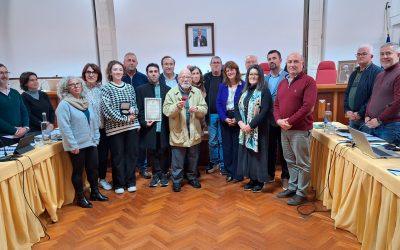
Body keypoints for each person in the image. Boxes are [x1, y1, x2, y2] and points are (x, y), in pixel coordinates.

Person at [56, 77, 108, 208]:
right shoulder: (64, 104)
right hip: (76, 145)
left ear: (81, 85)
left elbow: (94, 121)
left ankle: (95, 192)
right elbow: (64, 127)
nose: (75, 86)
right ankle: (80, 198)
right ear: (66, 88)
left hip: (91, 142)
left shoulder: (85, 101)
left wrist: (96, 138)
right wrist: (73, 144)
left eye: (77, 84)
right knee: (78, 172)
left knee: (93, 169)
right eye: (72, 85)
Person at [274, 53, 317, 206]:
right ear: (286, 64)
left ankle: (302, 192)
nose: (292, 64)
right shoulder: (283, 83)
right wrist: (278, 120)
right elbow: (276, 105)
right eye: (290, 61)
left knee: (302, 163)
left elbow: (307, 107)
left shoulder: (309, 82)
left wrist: (290, 121)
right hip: (284, 129)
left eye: (296, 62)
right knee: (290, 161)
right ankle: (292, 187)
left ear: (302, 64)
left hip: (299, 129)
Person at [163, 68, 207, 192]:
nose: (186, 79)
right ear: (178, 78)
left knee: (193, 158)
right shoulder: (171, 93)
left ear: (191, 78)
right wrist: (176, 107)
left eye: (188, 76)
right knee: (177, 160)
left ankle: (192, 177)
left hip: (194, 132)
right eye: (183, 76)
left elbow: (205, 109)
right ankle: (177, 180)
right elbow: (166, 111)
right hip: (178, 132)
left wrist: (197, 109)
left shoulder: (197, 92)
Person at [101, 60, 140, 194]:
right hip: (114, 129)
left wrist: (133, 112)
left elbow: (134, 104)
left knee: (131, 155)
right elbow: (107, 110)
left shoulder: (129, 87)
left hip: (131, 127)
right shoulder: (106, 88)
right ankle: (118, 184)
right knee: (118, 156)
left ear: (123, 72)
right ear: (110, 72)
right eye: (115, 69)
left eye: (120, 69)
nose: (118, 72)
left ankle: (130, 182)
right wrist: (125, 118)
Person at [235, 65, 272, 192]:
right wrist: (240, 123)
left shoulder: (264, 91)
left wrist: (250, 126)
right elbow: (237, 108)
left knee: (258, 155)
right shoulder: (245, 91)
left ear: (260, 76)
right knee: (249, 154)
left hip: (259, 130)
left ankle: (259, 181)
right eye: (251, 74)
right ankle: (251, 179)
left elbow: (264, 111)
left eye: (256, 74)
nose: (253, 76)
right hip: (244, 129)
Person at [136, 63, 171, 187]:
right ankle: (156, 175)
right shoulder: (141, 89)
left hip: (164, 126)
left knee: (163, 150)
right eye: (150, 71)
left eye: (155, 71)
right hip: (150, 127)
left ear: (159, 73)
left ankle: (163, 174)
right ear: (147, 74)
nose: (153, 73)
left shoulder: (167, 89)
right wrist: (144, 122)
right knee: (152, 151)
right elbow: (138, 109)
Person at [81, 63, 112, 191]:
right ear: (84, 75)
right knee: (90, 159)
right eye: (88, 72)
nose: (91, 74)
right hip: (87, 131)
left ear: (98, 75)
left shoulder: (102, 89)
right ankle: (91, 182)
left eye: (94, 72)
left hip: (102, 128)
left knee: (103, 157)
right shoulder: (80, 91)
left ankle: (102, 179)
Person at [363, 43, 400, 146]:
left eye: (388, 53)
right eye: (382, 54)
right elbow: (373, 97)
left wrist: (379, 120)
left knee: (384, 160)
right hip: (372, 124)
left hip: (391, 127)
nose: (384, 57)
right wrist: (367, 115)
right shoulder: (380, 74)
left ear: (398, 55)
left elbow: (398, 102)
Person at [122, 52, 151, 179]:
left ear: (137, 63)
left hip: (141, 116)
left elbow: (147, 98)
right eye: (129, 60)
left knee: (141, 144)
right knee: (127, 145)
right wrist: (127, 116)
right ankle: (130, 169)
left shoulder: (143, 78)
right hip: (124, 117)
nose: (131, 62)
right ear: (124, 63)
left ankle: (143, 168)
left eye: (133, 60)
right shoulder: (120, 78)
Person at [264, 50, 290, 190]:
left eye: (274, 58)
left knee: (284, 149)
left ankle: (285, 177)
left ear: (280, 60)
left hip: (283, 118)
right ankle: (269, 174)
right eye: (269, 59)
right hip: (268, 119)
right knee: (270, 148)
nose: (271, 61)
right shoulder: (265, 79)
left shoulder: (287, 77)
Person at [216, 61, 245, 182]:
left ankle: (238, 174)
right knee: (227, 147)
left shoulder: (243, 85)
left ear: (236, 71)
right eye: (227, 70)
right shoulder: (222, 86)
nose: (230, 72)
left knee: (237, 147)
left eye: (232, 69)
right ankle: (229, 172)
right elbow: (218, 103)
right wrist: (224, 118)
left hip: (239, 118)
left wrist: (237, 119)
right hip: (225, 118)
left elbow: (244, 104)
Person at [344, 44, 383, 129]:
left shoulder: (378, 72)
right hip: (353, 118)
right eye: (358, 54)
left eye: (364, 54)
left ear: (371, 56)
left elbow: (374, 97)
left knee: (364, 142)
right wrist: (347, 110)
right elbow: (347, 93)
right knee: (352, 142)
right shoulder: (354, 73)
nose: (360, 56)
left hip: (366, 119)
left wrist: (360, 113)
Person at [204, 56, 225, 174]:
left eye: (218, 62)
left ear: (221, 65)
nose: (216, 64)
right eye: (214, 63)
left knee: (222, 141)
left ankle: (223, 164)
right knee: (212, 141)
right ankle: (214, 162)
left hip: (223, 115)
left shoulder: (225, 77)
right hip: (211, 115)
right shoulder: (206, 78)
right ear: (210, 65)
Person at [0, 64, 29, 144]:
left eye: (6, 72)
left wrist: (26, 127)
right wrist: (14, 130)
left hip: (22, 136)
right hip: (4, 138)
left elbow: (24, 112)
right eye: (1, 73)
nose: (4, 75)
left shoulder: (15, 92)